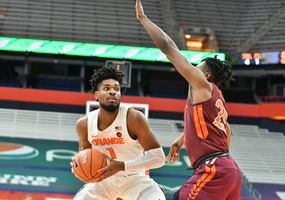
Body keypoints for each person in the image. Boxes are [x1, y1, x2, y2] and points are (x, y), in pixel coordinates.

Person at [135, 0, 242, 199]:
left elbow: (168, 47)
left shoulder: (201, 84)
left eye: (197, 67)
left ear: (206, 75)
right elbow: (225, 132)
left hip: (214, 168)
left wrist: (143, 18)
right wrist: (185, 138)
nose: (192, 68)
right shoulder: (218, 97)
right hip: (229, 169)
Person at [71, 66, 166, 200]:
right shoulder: (84, 124)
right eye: (106, 88)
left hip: (136, 179)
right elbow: (86, 158)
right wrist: (77, 165)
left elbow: (159, 158)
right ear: (96, 95)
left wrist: (121, 166)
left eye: (116, 89)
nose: (113, 92)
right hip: (104, 180)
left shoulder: (133, 118)